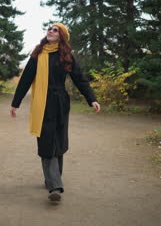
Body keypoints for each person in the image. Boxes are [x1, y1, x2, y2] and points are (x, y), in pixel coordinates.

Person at [10, 23, 100, 203]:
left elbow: (80, 79)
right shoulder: (37, 54)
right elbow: (26, 79)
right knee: (46, 141)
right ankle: (55, 186)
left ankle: (51, 178)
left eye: (55, 30)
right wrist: (16, 103)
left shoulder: (66, 56)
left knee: (58, 140)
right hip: (41, 104)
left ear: (61, 36)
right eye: (49, 29)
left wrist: (92, 99)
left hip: (60, 103)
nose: (50, 31)